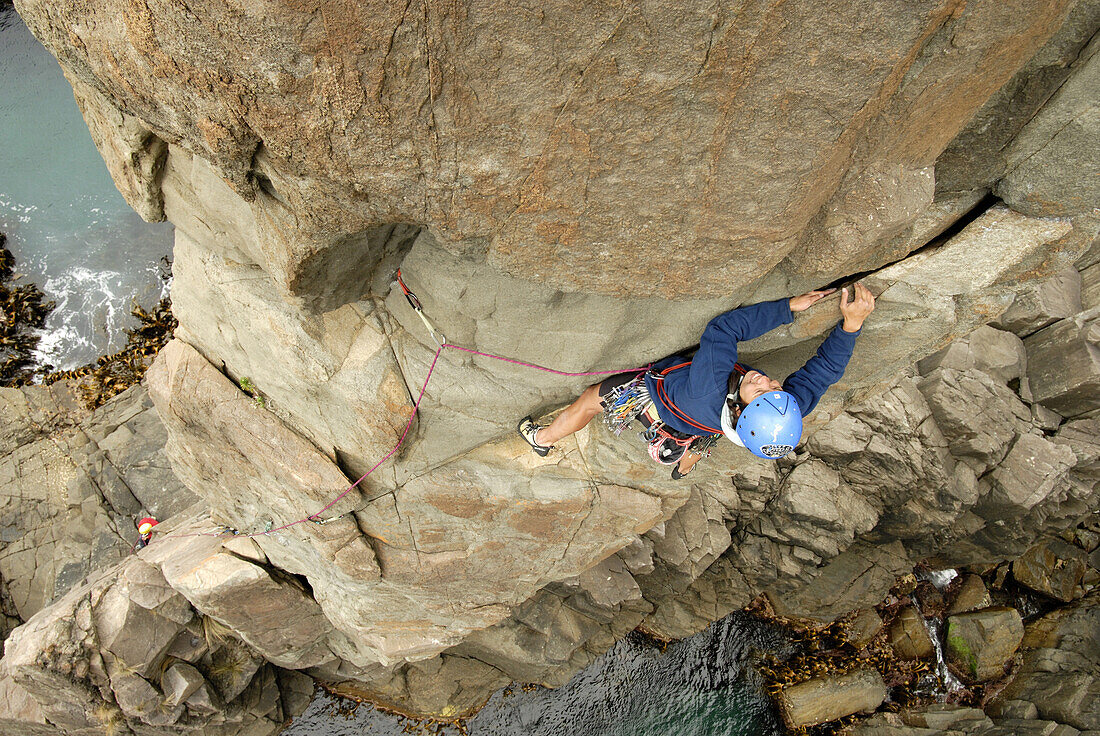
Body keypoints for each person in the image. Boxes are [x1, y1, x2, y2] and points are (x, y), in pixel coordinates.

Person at [518, 283, 876, 477]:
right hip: (704, 426)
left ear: (739, 410)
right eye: (776, 388)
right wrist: (852, 325)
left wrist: (788, 308)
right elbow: (823, 373)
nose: (765, 380)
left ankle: (542, 439)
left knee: (591, 400)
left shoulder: (710, 386)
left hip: (658, 398)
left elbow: (723, 328)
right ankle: (684, 465)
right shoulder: (776, 415)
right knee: (702, 438)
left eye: (759, 391)